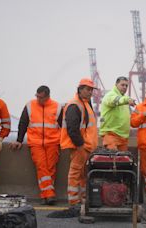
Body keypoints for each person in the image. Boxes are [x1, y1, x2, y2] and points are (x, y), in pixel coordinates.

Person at [9, 86, 62, 205]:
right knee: (42, 167)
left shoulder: (57, 107)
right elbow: (23, 123)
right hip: (36, 142)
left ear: (47, 96)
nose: (38, 99)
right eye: (37, 96)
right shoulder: (30, 105)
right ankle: (50, 194)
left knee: (50, 169)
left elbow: (63, 126)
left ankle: (45, 195)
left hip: (53, 142)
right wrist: (19, 140)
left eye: (41, 97)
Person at [60, 78, 98, 208]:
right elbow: (72, 128)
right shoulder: (75, 104)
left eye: (91, 90)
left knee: (82, 175)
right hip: (80, 146)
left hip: (86, 146)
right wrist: (80, 145)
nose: (90, 92)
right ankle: (74, 201)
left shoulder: (85, 103)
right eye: (87, 89)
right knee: (75, 173)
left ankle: (82, 199)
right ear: (80, 89)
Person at [99, 76, 135, 151]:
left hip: (123, 137)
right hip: (111, 135)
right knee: (113, 160)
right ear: (116, 85)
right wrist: (127, 99)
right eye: (122, 85)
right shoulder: (110, 95)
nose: (125, 87)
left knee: (122, 162)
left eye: (126, 85)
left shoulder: (124, 99)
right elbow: (115, 100)